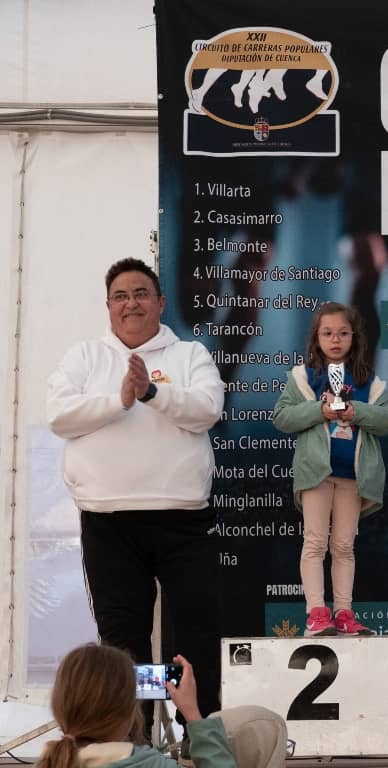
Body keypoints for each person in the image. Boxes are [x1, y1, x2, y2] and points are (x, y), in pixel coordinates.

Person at [46, 258, 225, 718]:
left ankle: (196, 735)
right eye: (121, 297)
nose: (131, 304)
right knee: (124, 641)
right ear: (108, 306)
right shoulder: (84, 356)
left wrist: (152, 393)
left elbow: (207, 409)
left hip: (184, 522)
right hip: (109, 523)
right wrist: (119, 400)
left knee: (196, 636)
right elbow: (59, 415)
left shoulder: (190, 355)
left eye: (141, 294)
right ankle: (136, 735)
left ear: (160, 303)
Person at [272, 303, 388, 636]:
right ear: (317, 337)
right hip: (317, 473)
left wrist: (357, 411)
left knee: (343, 546)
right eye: (327, 333)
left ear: (354, 337)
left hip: (353, 476)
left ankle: (343, 613)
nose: (336, 340)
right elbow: (281, 417)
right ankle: (316, 614)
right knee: (314, 543)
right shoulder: (302, 377)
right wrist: (320, 411)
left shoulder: (368, 381)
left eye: (343, 333)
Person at [35, 643, 287, 768]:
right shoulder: (149, 764)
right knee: (259, 723)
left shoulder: (50, 762)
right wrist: (193, 714)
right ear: (130, 712)